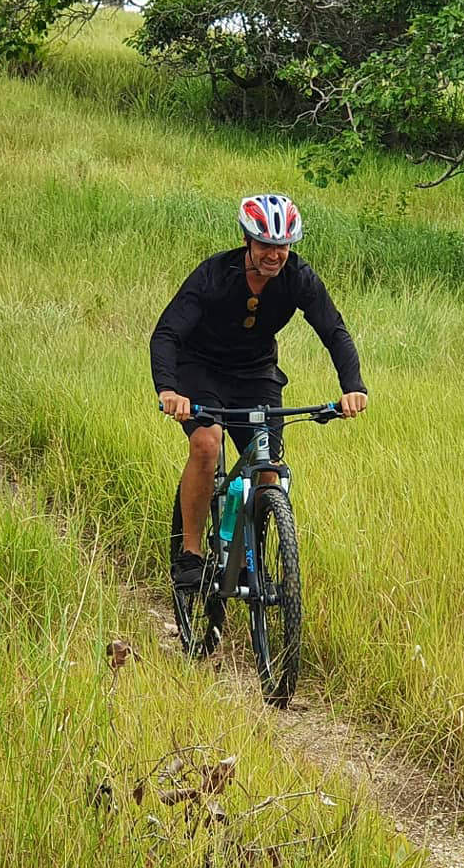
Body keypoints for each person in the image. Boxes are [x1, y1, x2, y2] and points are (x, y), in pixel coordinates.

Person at [150, 193, 368, 591]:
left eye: (283, 245)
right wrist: (168, 389)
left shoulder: (298, 277)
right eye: (266, 244)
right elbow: (166, 334)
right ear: (248, 241)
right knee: (207, 443)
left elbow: (333, 330)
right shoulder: (214, 274)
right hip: (201, 369)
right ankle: (191, 555)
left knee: (268, 471)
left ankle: (250, 556)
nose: (275, 254)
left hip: (256, 375)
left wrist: (352, 387)